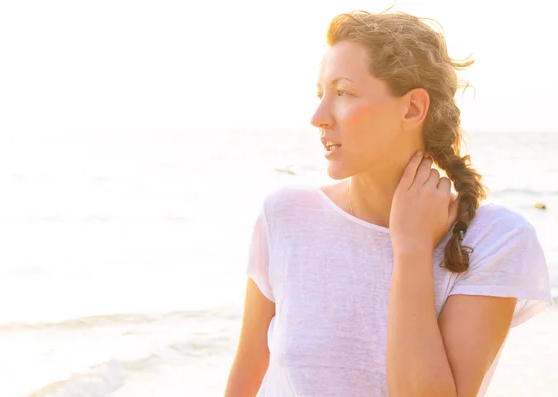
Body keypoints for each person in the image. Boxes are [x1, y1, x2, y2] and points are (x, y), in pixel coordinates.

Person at [224, 9, 553, 397]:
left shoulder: (495, 240)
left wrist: (411, 250)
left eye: (343, 92)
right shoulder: (284, 217)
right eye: (320, 94)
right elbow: (247, 379)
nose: (318, 117)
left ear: (412, 108)